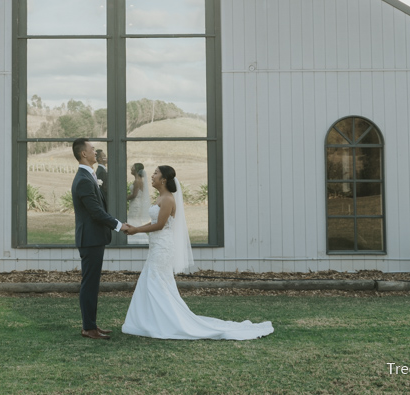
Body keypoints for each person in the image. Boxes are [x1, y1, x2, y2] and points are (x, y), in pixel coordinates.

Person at [121, 165, 273, 341]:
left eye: (155, 173)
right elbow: (154, 221)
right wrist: (136, 228)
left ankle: (165, 322)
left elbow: (160, 225)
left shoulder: (168, 199)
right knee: (154, 280)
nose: (152, 176)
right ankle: (152, 320)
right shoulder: (160, 198)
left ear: (163, 180)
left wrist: (136, 230)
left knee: (156, 281)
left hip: (163, 247)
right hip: (156, 245)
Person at [70, 138, 130, 340]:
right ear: (83, 154)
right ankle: (88, 328)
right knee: (89, 284)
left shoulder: (89, 177)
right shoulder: (84, 180)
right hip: (90, 239)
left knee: (93, 284)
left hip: (94, 238)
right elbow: (96, 212)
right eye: (92, 149)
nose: (95, 152)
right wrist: (120, 226)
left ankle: (92, 325)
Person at [126, 163, 150, 245]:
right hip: (136, 203)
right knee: (135, 220)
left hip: (135, 203)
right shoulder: (139, 180)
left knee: (133, 220)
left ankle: (137, 239)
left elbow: (134, 195)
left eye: (132, 168)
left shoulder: (137, 181)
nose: (131, 169)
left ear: (136, 170)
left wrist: (123, 198)